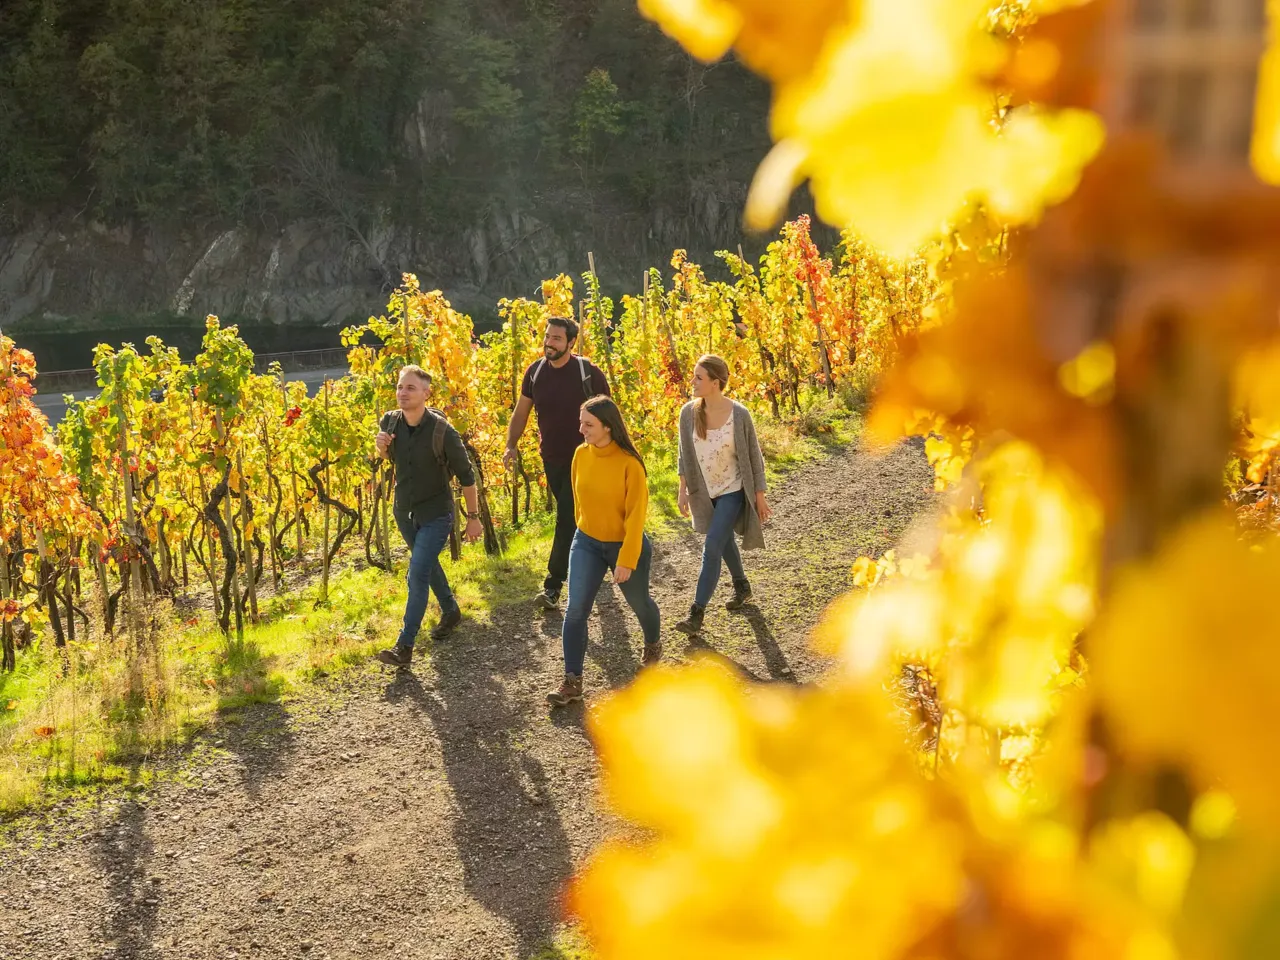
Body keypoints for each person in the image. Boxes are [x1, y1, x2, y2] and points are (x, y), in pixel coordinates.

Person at [547, 395, 661, 707]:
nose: (581, 429)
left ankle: (653, 644)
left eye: (588, 424)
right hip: (586, 542)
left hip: (623, 544)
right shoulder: (580, 454)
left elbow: (637, 516)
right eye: (581, 422)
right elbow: (577, 498)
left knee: (639, 604)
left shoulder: (629, 464)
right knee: (575, 610)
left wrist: (625, 559)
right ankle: (572, 681)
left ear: (608, 427)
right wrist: (581, 534)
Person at [374, 365, 482, 666]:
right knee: (426, 565)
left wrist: (473, 517)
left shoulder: (442, 432)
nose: (402, 393)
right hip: (403, 511)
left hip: (436, 514)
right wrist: (381, 448)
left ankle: (404, 645)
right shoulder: (389, 422)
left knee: (417, 573)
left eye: (410, 388)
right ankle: (450, 610)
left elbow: (467, 476)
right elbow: (388, 456)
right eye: (399, 387)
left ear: (426, 393)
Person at [503, 315, 610, 611]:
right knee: (577, 516)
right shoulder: (535, 373)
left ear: (571, 342)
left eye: (556, 338)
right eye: (548, 337)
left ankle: (553, 585)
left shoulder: (588, 373)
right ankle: (597, 558)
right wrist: (511, 445)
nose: (549, 343)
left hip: (588, 458)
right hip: (551, 458)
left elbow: (609, 415)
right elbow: (521, 412)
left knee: (565, 515)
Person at [674, 354, 772, 635]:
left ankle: (696, 614)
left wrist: (759, 496)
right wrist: (683, 491)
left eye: (698, 377)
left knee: (712, 546)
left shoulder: (739, 414)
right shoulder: (688, 413)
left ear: (715, 383)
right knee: (723, 538)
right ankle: (742, 586)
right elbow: (684, 456)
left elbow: (754, 457)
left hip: (732, 490)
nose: (692, 382)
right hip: (704, 493)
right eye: (693, 376)